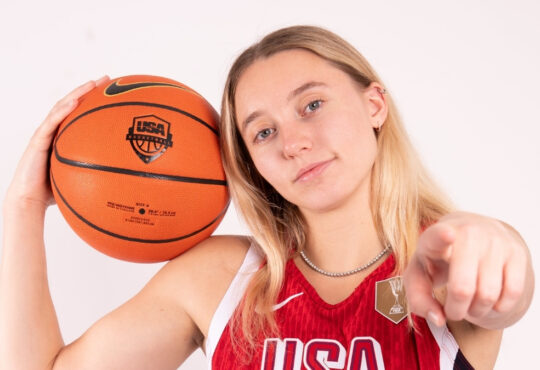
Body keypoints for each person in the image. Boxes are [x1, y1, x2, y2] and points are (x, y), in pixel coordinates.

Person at [0, 25, 534, 370]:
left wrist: (491, 247)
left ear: (374, 105)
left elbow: (499, 271)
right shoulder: (220, 280)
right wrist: (22, 207)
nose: (294, 143)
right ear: (249, 163)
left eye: (312, 105)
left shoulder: (444, 256)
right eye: (262, 132)